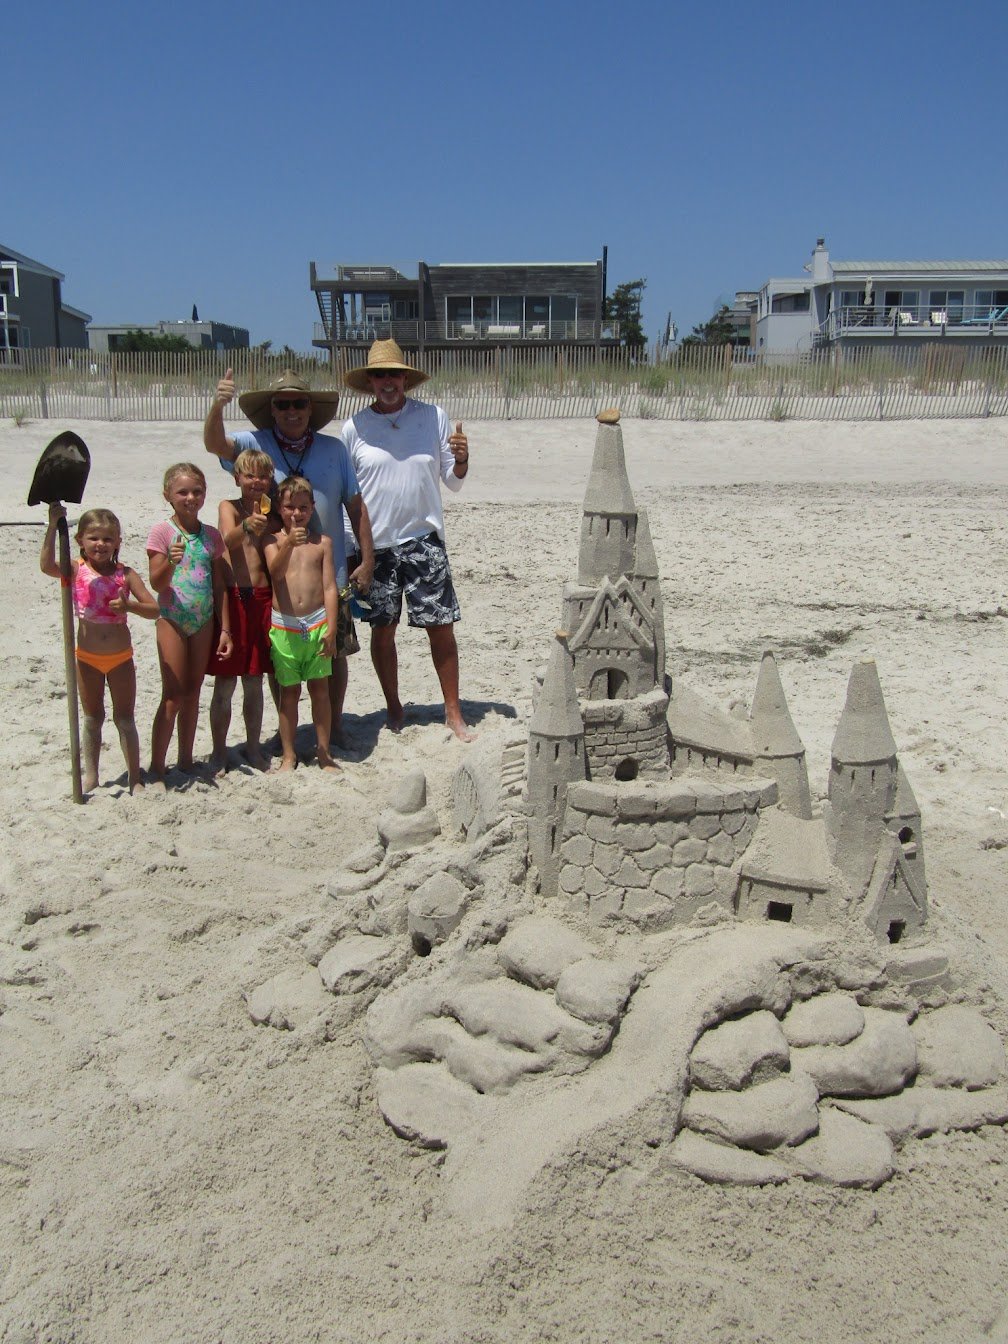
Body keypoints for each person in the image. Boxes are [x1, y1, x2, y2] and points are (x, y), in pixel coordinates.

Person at [203, 368, 373, 745]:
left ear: (310, 408)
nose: (292, 410)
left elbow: (356, 506)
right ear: (272, 409)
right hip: (276, 576)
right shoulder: (254, 443)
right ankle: (291, 733)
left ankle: (336, 724)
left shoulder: (334, 449)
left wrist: (368, 557)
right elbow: (215, 444)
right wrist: (218, 405)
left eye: (299, 402)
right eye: (283, 404)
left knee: (336, 653)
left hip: (330, 569)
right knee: (283, 662)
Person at [341, 339, 473, 741]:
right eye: (379, 375)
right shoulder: (354, 428)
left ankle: (453, 711)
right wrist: (355, 554)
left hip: (423, 539)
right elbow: (351, 495)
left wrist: (463, 457)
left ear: (405, 379)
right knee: (383, 630)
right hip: (375, 546)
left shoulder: (432, 417)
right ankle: (395, 708)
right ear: (370, 381)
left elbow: (453, 481)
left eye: (394, 374)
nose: (388, 382)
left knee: (441, 627)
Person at [40, 505, 158, 794]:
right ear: (80, 540)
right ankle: (91, 775)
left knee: (125, 718)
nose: (100, 545)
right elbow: (46, 566)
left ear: (118, 542)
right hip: (87, 658)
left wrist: (130, 606)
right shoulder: (75, 569)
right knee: (92, 718)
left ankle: (134, 777)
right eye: (93, 538)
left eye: (107, 539)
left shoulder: (125, 574)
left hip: (120, 658)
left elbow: (154, 609)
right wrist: (53, 526)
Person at [147, 463, 233, 781]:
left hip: (203, 620)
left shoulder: (211, 536)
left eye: (196, 491)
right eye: (182, 491)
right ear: (168, 495)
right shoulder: (162, 533)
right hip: (172, 618)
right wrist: (170, 560)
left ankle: (185, 759)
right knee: (173, 695)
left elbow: (219, 585)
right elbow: (157, 583)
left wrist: (225, 628)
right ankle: (157, 765)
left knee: (194, 693)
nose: (190, 497)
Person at [207, 448, 279, 773]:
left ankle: (252, 747)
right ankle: (219, 752)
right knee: (225, 683)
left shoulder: (274, 513)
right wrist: (248, 524)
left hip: (262, 598)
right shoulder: (230, 507)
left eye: (263, 476)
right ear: (237, 478)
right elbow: (226, 541)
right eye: (249, 475)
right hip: (234, 596)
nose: (257, 481)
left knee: (254, 681)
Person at [262, 477, 340, 773]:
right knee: (289, 693)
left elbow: (330, 587)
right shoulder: (272, 541)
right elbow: (275, 572)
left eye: (303, 508)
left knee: (320, 690)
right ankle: (288, 754)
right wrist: (288, 545)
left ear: (312, 509)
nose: (296, 513)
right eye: (290, 507)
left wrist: (332, 627)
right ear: (280, 508)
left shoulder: (323, 544)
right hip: (285, 627)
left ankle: (323, 751)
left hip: (317, 623)